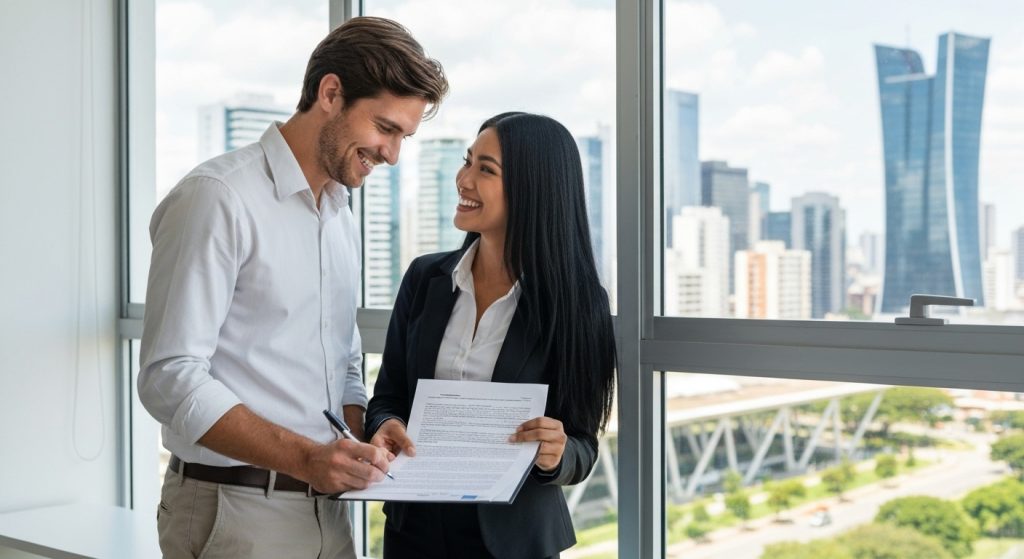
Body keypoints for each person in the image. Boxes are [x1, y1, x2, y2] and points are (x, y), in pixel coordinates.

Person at [138, 17, 448, 559]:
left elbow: (343, 357)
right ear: (331, 93)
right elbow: (170, 376)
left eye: (404, 136)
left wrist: (359, 439)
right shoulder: (217, 198)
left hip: (327, 509)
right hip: (235, 513)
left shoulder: (339, 211)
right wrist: (305, 457)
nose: (392, 155)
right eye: (386, 128)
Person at [365, 112, 617, 559]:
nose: (463, 179)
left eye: (486, 169)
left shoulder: (579, 304)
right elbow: (387, 397)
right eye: (468, 162)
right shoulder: (425, 278)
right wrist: (386, 424)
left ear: (532, 188)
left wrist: (556, 452)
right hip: (415, 530)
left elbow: (583, 447)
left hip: (514, 541)